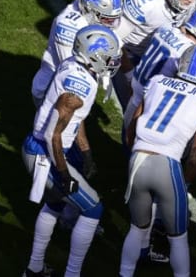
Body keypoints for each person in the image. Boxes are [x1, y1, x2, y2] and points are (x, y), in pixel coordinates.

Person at [121, 6, 196, 264]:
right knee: (168, 180)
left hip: (139, 99)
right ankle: (157, 230)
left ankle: (141, 238)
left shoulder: (167, 30)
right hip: (163, 111)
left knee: (136, 159)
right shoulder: (188, 58)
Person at [21, 24, 122, 277]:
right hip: (46, 152)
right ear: (94, 56)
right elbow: (53, 133)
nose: (112, 61)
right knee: (93, 209)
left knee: (54, 204)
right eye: (108, 55)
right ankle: (72, 273)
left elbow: (76, 120)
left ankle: (34, 269)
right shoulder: (80, 83)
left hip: (43, 148)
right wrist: (64, 174)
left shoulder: (75, 68)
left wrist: (85, 151)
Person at [113, 0, 196, 110]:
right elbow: (114, 41)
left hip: (159, 56)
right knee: (132, 109)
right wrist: (130, 74)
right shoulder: (144, 0)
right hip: (129, 55)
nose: (191, 2)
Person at [30, 0, 123, 108]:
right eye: (107, 19)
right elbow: (74, 70)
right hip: (53, 89)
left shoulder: (87, 7)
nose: (112, 24)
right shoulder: (68, 26)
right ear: (90, 10)